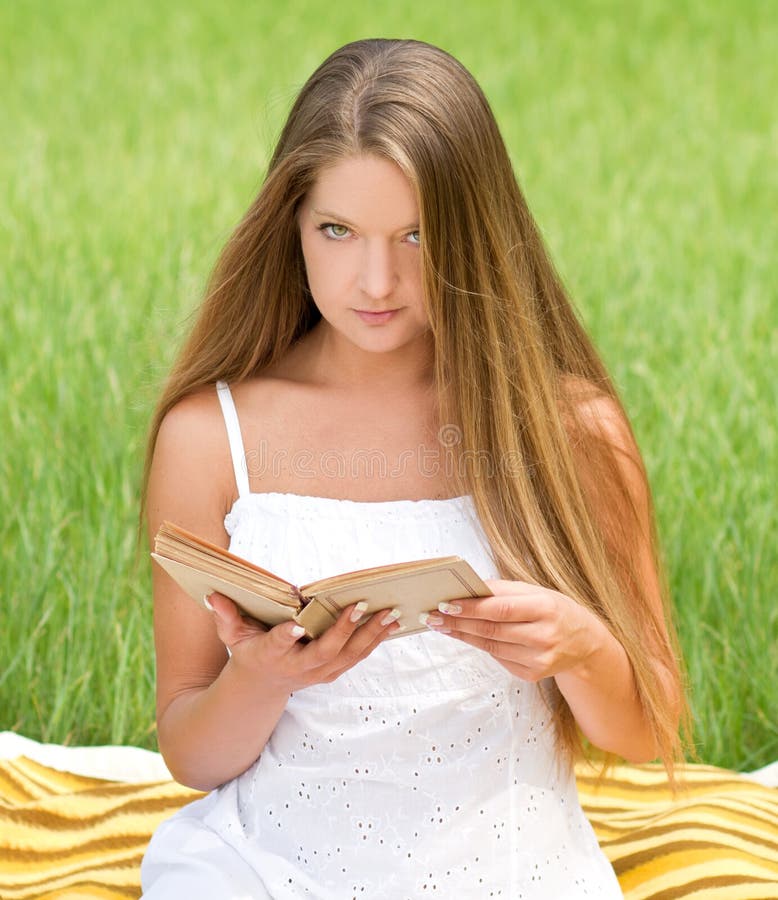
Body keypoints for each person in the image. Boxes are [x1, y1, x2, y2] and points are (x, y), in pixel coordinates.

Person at [139, 37, 685, 898]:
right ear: (291, 228)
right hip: (266, 869)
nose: (376, 279)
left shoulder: (573, 429)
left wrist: (581, 646)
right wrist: (261, 676)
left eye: (417, 235)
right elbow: (191, 756)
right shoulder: (210, 436)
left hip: (513, 870)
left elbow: (650, 732)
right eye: (338, 230)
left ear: (474, 232)